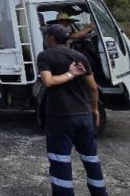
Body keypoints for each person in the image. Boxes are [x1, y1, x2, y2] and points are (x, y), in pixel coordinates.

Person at [36, 24, 108, 196]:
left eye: (47, 36)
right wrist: (95, 110)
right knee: (91, 159)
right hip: (84, 116)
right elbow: (93, 87)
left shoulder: (45, 56)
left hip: (60, 116)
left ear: (51, 38)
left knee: (60, 160)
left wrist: (71, 74)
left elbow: (48, 81)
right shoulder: (79, 56)